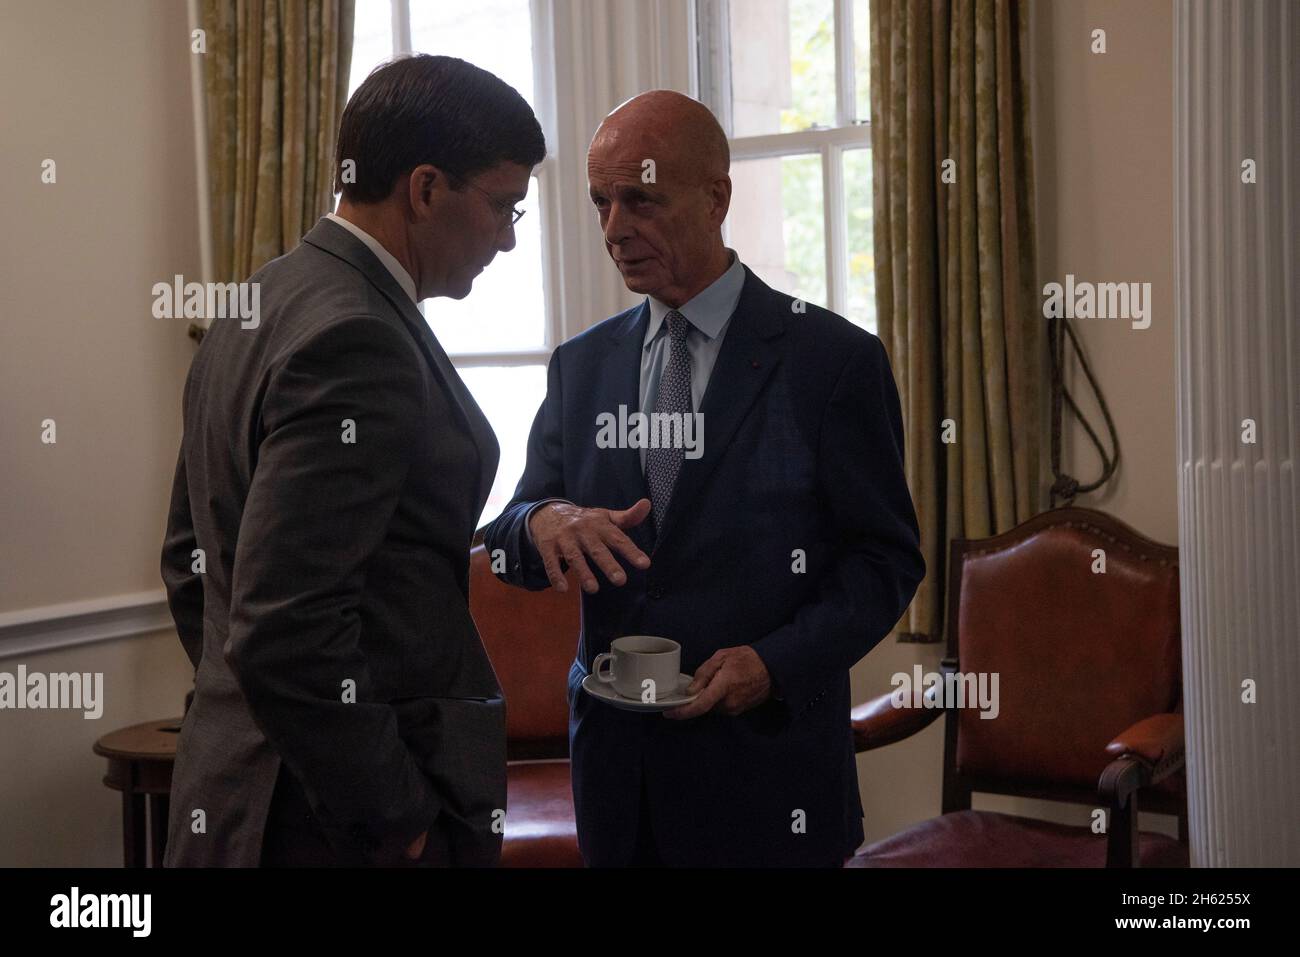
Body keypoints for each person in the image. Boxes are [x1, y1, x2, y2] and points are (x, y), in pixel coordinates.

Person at [485, 90, 924, 867]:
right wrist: (544, 520)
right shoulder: (581, 367)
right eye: (600, 202)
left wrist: (772, 664)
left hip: (768, 781)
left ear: (716, 197)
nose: (615, 229)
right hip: (620, 783)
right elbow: (512, 534)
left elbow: (884, 563)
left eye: (641, 199)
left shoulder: (831, 363)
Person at [160, 54, 545, 867]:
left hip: (236, 793)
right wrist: (394, 814)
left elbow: (191, 566)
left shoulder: (251, 303)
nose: (510, 239)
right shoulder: (357, 337)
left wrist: (249, 719)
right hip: (329, 826)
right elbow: (284, 627)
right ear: (427, 187)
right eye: (505, 206)